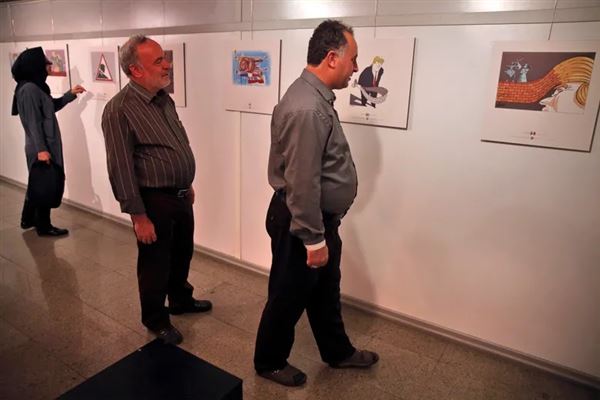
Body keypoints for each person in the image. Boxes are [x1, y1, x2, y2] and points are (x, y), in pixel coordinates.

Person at [254, 20, 379, 387]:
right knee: (288, 294)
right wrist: (313, 238)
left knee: (325, 290)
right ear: (331, 58)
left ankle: (337, 351)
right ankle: (269, 361)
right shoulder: (307, 108)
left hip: (317, 219)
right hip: (303, 220)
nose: (356, 68)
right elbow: (302, 181)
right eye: (353, 59)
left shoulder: (315, 99)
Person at [101, 35, 211, 345]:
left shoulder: (163, 99)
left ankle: (180, 300)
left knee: (182, 253)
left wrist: (186, 183)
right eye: (159, 61)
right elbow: (120, 167)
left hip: (179, 195)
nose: (167, 65)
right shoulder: (119, 110)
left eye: (165, 58)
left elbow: (176, 143)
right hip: (153, 201)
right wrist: (138, 216)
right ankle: (155, 318)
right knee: (155, 264)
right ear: (136, 70)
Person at [11, 47, 86, 236]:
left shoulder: (36, 87)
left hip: (45, 143)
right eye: (45, 62)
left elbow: (49, 107)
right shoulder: (29, 90)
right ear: (35, 65)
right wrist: (42, 150)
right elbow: (33, 123)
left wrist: (70, 94)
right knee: (44, 184)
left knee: (38, 183)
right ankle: (44, 226)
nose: (49, 64)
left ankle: (28, 219)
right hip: (41, 146)